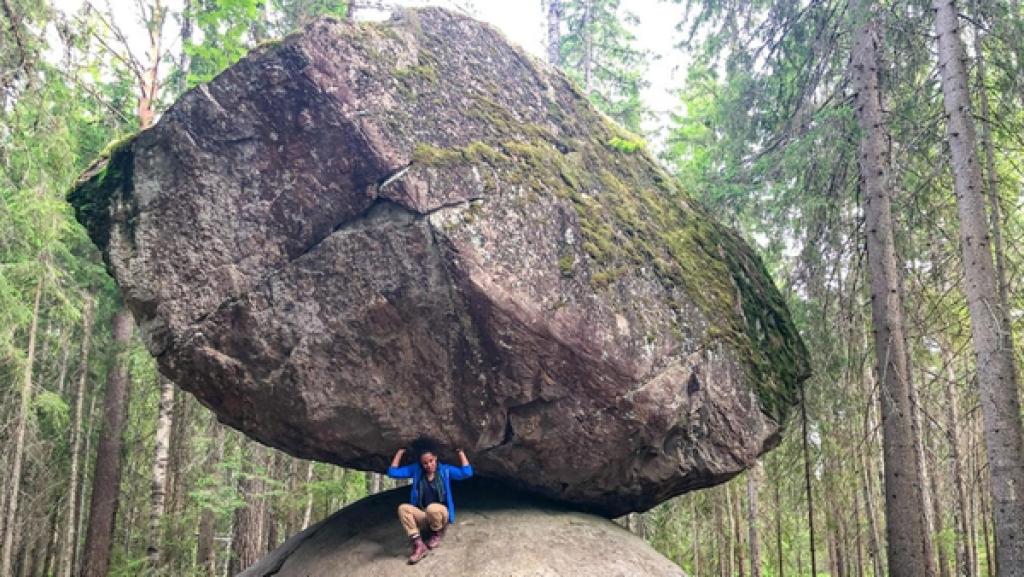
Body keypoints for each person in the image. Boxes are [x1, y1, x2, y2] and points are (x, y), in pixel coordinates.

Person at [387, 441, 473, 564]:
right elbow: (392, 472)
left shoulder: (445, 470)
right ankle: (419, 545)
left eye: (431, 461)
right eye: (425, 463)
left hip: (441, 514)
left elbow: (467, 472)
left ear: (436, 458)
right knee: (403, 508)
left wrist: (460, 452)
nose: (429, 465)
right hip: (425, 515)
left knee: (432, 508)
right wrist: (400, 452)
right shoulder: (417, 471)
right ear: (421, 464)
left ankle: (436, 533)